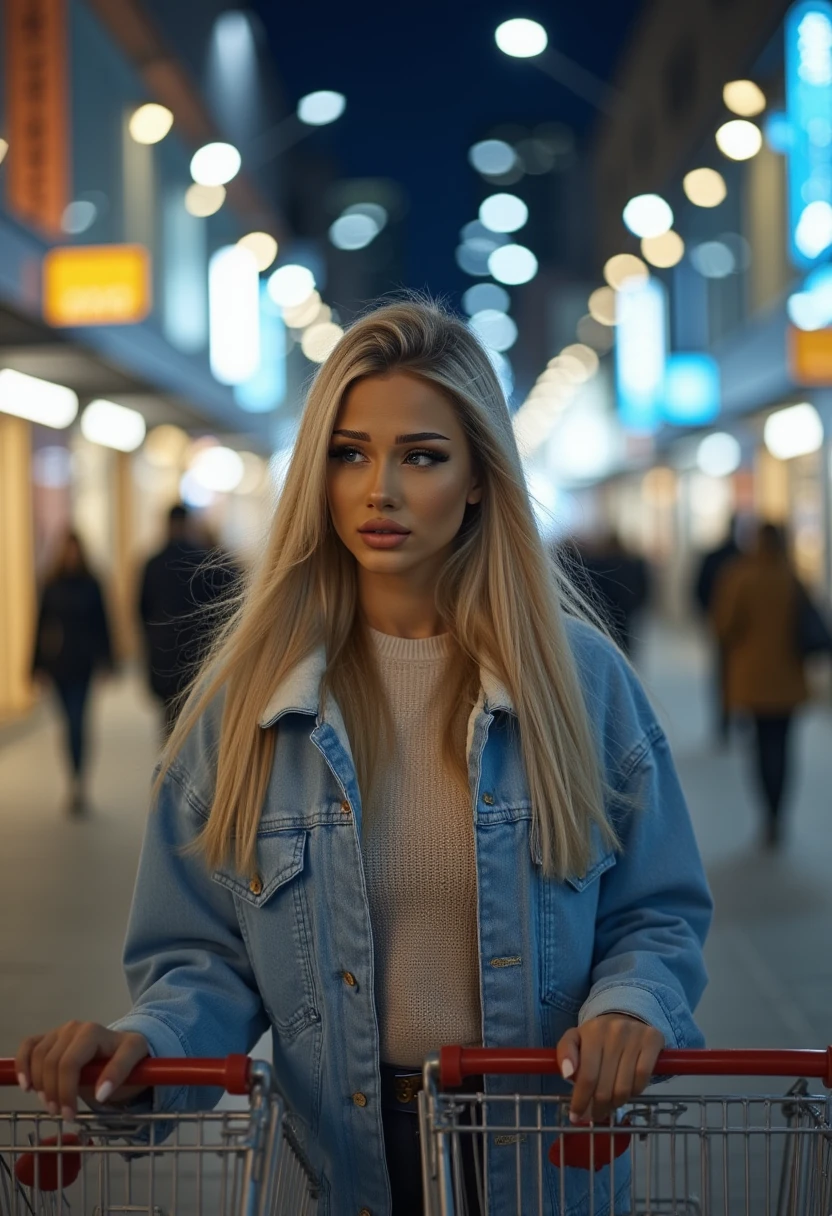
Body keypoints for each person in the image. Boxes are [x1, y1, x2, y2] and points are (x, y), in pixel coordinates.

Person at [18, 301, 712, 1216]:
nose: (379, 488)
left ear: (477, 480)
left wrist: (631, 1006)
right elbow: (200, 960)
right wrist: (140, 1049)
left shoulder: (578, 684)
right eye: (349, 453)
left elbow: (657, 912)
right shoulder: (249, 703)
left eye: (421, 456)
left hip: (542, 1161)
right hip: (338, 1168)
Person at [712, 522, 807, 849]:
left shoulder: (742, 577)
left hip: (754, 679)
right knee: (783, 746)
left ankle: (767, 815)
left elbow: (724, 625)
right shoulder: (791, 578)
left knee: (762, 746)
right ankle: (779, 811)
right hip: (788, 679)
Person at [138, 503, 238, 737]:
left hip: (163, 653)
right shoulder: (202, 560)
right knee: (193, 718)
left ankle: (169, 761)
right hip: (196, 653)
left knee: (169, 717)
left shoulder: (152, 564)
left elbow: (141, 611)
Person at [31, 529, 113, 813]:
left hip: (84, 664)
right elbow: (39, 627)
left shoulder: (92, 584)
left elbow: (104, 624)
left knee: (79, 722)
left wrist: (107, 660)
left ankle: (79, 782)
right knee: (68, 724)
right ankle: (73, 776)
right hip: (59, 665)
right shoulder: (51, 586)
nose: (71, 555)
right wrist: (35, 666)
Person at [693, 516, 740, 744]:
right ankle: (734, 719)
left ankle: (725, 722)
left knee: (723, 674)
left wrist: (710, 616)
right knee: (735, 674)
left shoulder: (716, 558)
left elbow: (698, 590)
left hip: (721, 627)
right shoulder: (742, 560)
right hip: (739, 633)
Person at [575, 531, 650, 657]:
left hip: (608, 610)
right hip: (626, 611)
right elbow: (642, 587)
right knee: (626, 641)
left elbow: (594, 589)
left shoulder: (600, 565)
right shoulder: (630, 564)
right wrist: (637, 605)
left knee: (610, 641)